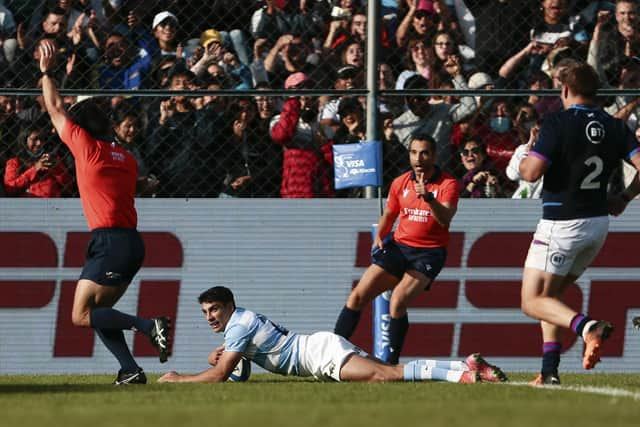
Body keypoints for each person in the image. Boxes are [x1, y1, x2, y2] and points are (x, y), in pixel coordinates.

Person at [38, 38, 171, 384]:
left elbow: (53, 107)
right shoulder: (124, 157)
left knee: (81, 316)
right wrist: (148, 185)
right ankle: (129, 370)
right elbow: (139, 185)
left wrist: (47, 72)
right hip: (130, 244)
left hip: (110, 242)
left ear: (83, 126)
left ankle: (147, 326)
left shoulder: (86, 148)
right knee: (96, 313)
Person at [516, 61, 640, 385]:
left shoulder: (557, 122)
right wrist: (625, 197)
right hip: (597, 225)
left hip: (562, 223)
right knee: (549, 299)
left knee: (532, 301)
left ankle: (588, 328)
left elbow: (529, 174)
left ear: (565, 90)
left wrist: (529, 153)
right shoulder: (614, 126)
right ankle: (549, 372)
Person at [158, 286, 508, 384]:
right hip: (319, 348)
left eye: (214, 310)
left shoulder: (239, 324)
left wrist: (178, 379)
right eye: (205, 312)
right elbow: (239, 372)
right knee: (382, 376)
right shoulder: (241, 324)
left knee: (390, 373)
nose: (209, 317)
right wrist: (214, 355)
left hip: (319, 356)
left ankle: (463, 375)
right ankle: (465, 364)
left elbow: (222, 376)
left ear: (229, 306)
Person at [333, 133, 460, 364]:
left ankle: (390, 364)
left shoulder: (448, 184)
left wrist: (429, 199)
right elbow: (390, 214)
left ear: (433, 155)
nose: (418, 158)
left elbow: (445, 219)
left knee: (398, 301)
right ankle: (330, 355)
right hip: (399, 248)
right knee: (357, 297)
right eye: (414, 152)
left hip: (429, 253)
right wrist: (380, 236)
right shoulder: (400, 182)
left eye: (424, 153)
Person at [3, 121, 73, 197]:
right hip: (27, 205)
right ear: (24, 140)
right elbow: (10, 189)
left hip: (54, 205)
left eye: (42, 139)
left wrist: (56, 169)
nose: (39, 143)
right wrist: (34, 169)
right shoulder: (15, 162)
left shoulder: (51, 157)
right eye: (34, 139)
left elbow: (70, 187)